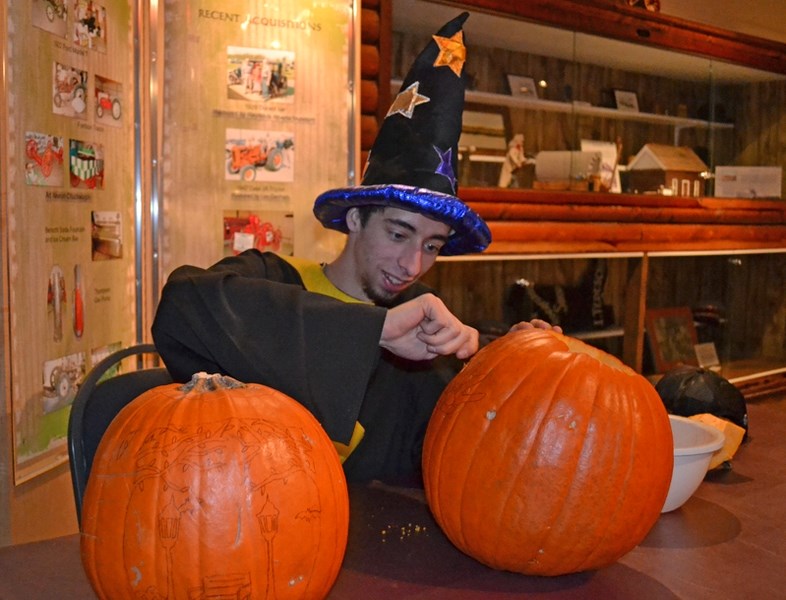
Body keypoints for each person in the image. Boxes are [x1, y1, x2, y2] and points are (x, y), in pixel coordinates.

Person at [152, 12, 555, 486]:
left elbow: (484, 446)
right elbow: (180, 307)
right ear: (357, 218)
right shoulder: (272, 279)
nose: (412, 265)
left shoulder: (426, 327)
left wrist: (514, 362)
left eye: (432, 245)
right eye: (399, 234)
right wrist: (374, 331)